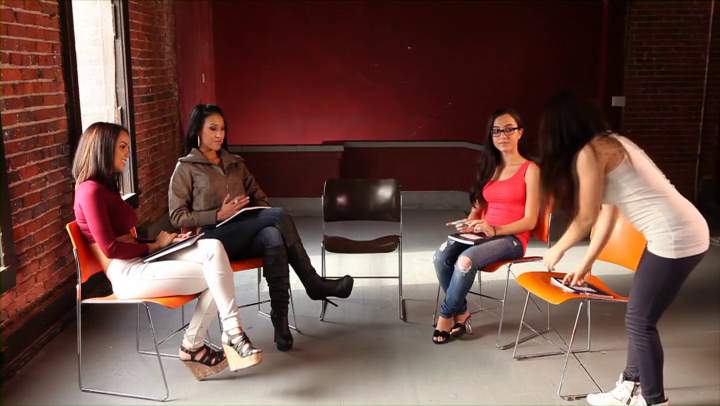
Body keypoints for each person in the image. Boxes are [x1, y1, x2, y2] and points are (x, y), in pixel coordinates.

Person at [538, 92, 709, 406]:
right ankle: (630, 386)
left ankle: (653, 400)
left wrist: (557, 249)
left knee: (640, 320)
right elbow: (607, 214)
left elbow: (586, 217)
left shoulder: (589, 153)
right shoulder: (614, 142)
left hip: (675, 236)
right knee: (640, 317)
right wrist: (586, 263)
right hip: (678, 231)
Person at [72, 122, 263, 380]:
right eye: (122, 147)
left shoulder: (105, 188)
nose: (128, 153)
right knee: (217, 274)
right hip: (126, 274)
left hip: (141, 259)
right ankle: (198, 345)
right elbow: (110, 248)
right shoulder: (90, 191)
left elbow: (125, 237)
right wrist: (154, 245)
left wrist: (166, 242)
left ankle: (231, 333)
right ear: (103, 148)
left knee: (213, 248)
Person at [168, 104, 354, 352]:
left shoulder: (235, 163)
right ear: (197, 130)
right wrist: (218, 214)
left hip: (244, 234)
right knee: (279, 215)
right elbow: (177, 217)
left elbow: (260, 198)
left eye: (222, 129)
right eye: (213, 128)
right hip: (213, 241)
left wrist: (253, 218)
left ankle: (281, 322)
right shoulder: (186, 167)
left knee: (272, 235)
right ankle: (313, 283)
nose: (219, 134)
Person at [432, 108, 541, 344]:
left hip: (511, 239)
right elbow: (478, 208)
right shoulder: (491, 167)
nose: (503, 135)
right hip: (483, 235)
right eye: (497, 131)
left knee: (465, 261)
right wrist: (469, 224)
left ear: (520, 133)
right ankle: (462, 313)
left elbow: (531, 221)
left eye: (509, 129)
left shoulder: (531, 170)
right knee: (440, 256)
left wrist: (496, 230)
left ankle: (445, 316)